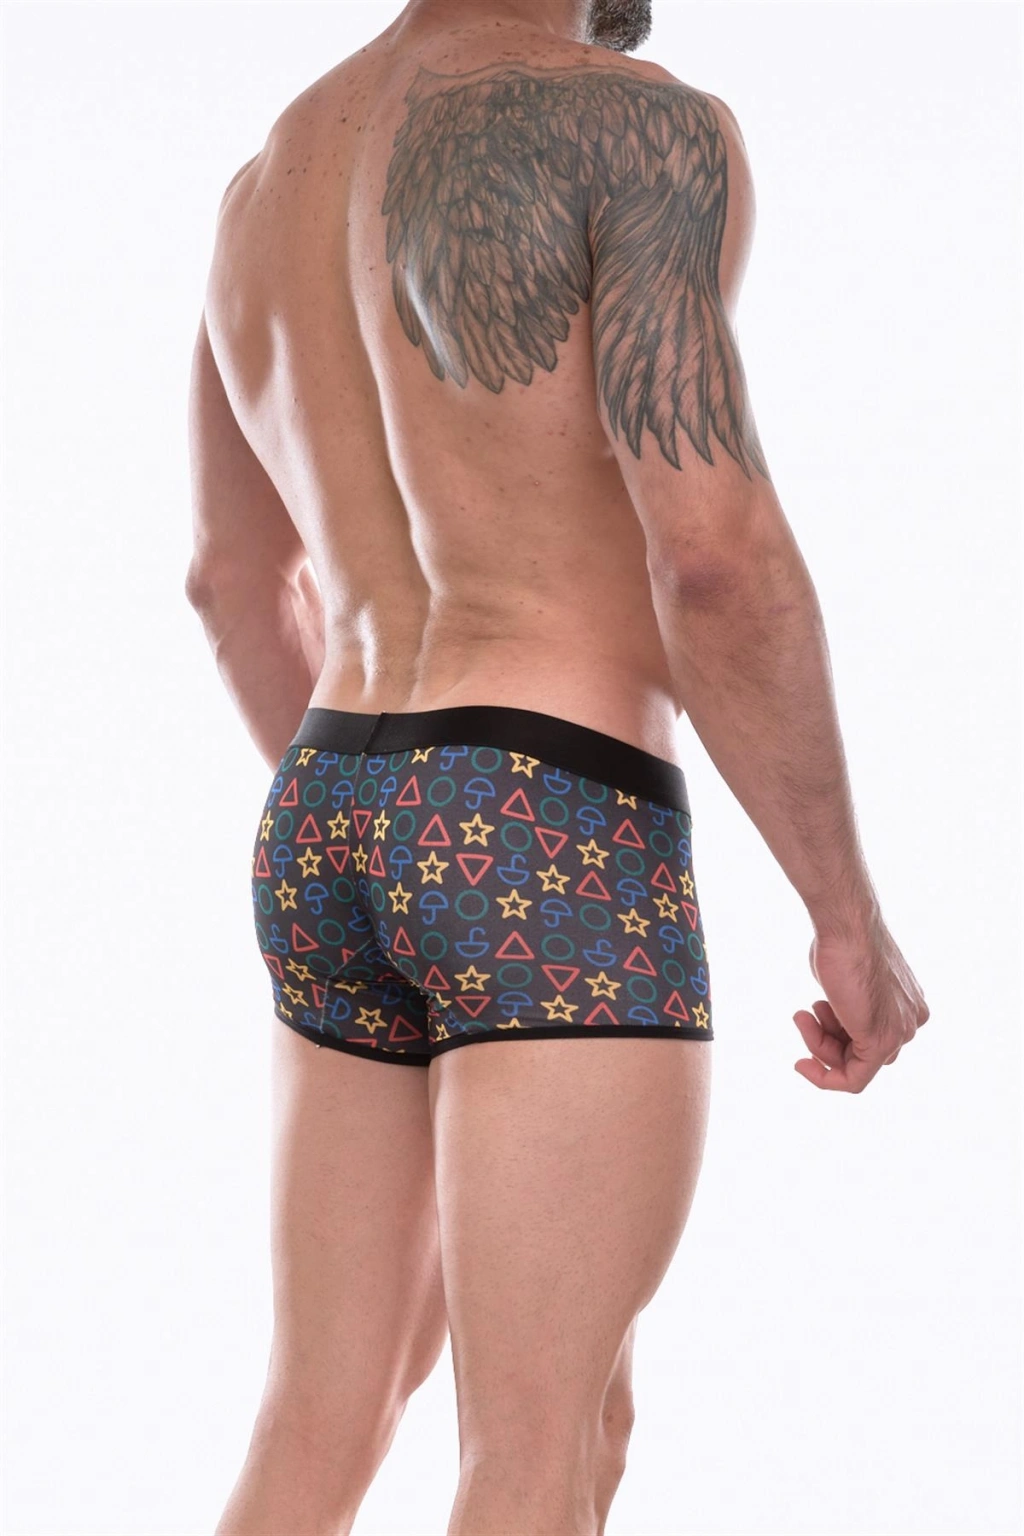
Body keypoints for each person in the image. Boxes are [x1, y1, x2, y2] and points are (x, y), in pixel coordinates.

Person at [186, 0, 930, 1531]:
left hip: (329, 804)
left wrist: (397, 832)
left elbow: (229, 582)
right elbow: (712, 555)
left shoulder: (265, 186)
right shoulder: (631, 126)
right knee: (540, 1446)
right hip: (547, 806)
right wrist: (845, 915)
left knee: (325, 1414)